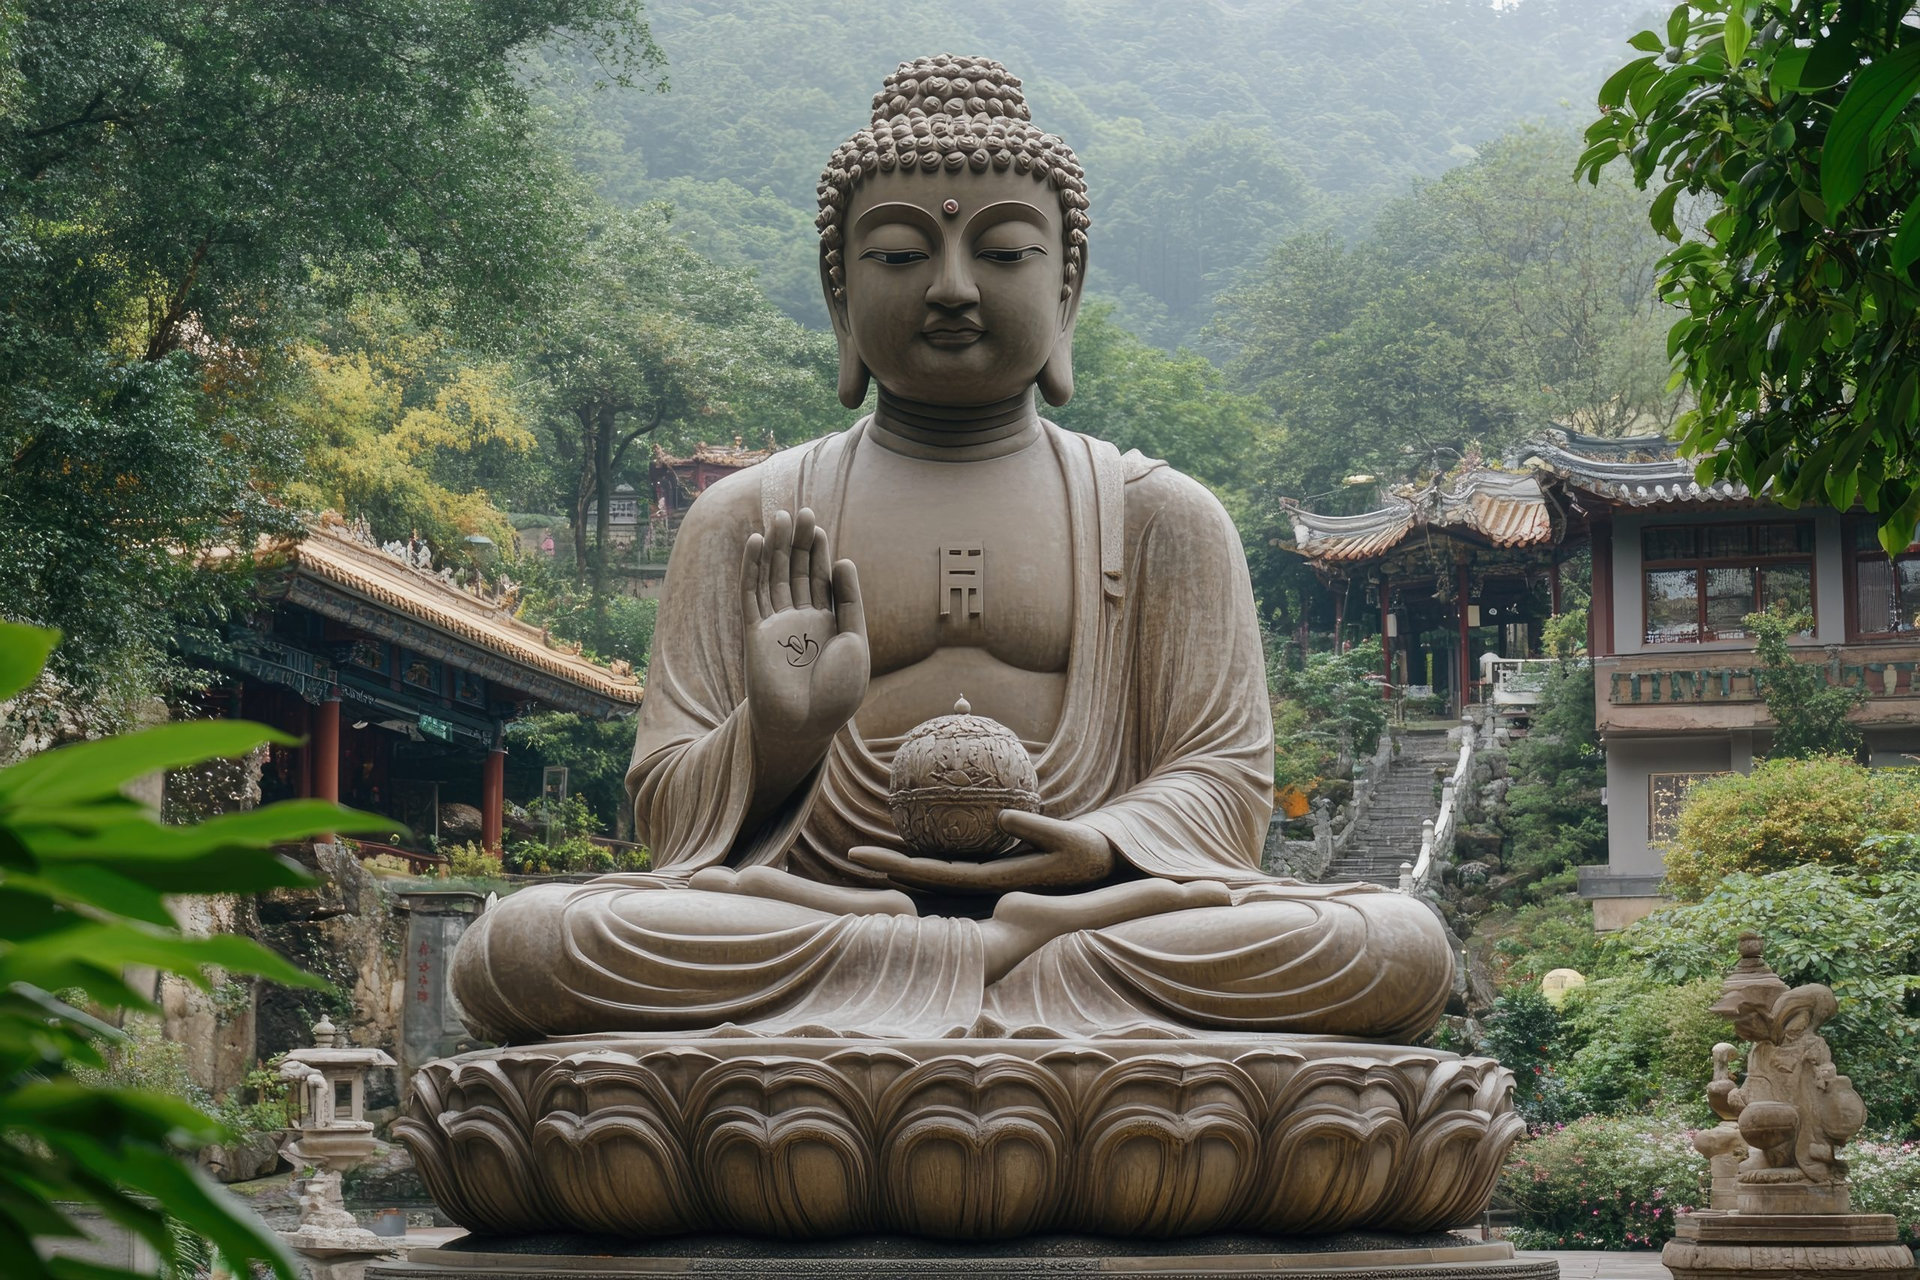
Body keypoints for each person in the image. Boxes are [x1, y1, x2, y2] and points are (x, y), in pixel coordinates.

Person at [451, 55, 1451, 1046]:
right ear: (839, 292)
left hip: (1083, 925)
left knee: (1391, 945)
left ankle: (980, 967)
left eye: (1006, 253)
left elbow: (1226, 788)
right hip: (819, 914)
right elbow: (671, 824)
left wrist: (1097, 848)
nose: (954, 289)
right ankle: (969, 981)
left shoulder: (1162, 518)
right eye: (898, 256)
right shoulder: (747, 520)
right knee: (533, 944)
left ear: (1068, 286)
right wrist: (781, 733)